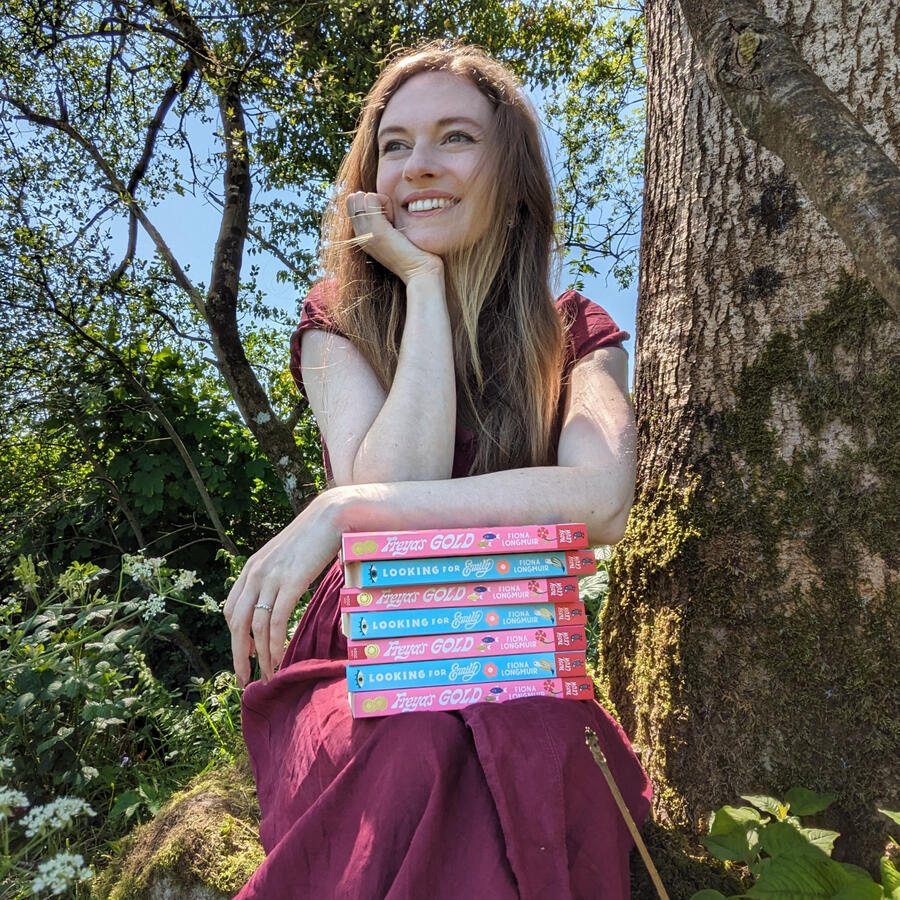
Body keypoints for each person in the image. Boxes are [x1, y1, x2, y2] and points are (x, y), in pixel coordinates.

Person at [225, 42, 651, 900]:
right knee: (412, 748)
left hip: (518, 656)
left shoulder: (574, 332)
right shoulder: (335, 322)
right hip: (363, 653)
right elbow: (394, 475)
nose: (419, 166)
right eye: (394, 145)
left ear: (511, 173)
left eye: (456, 137)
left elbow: (603, 499)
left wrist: (342, 511)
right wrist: (422, 284)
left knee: (534, 747)